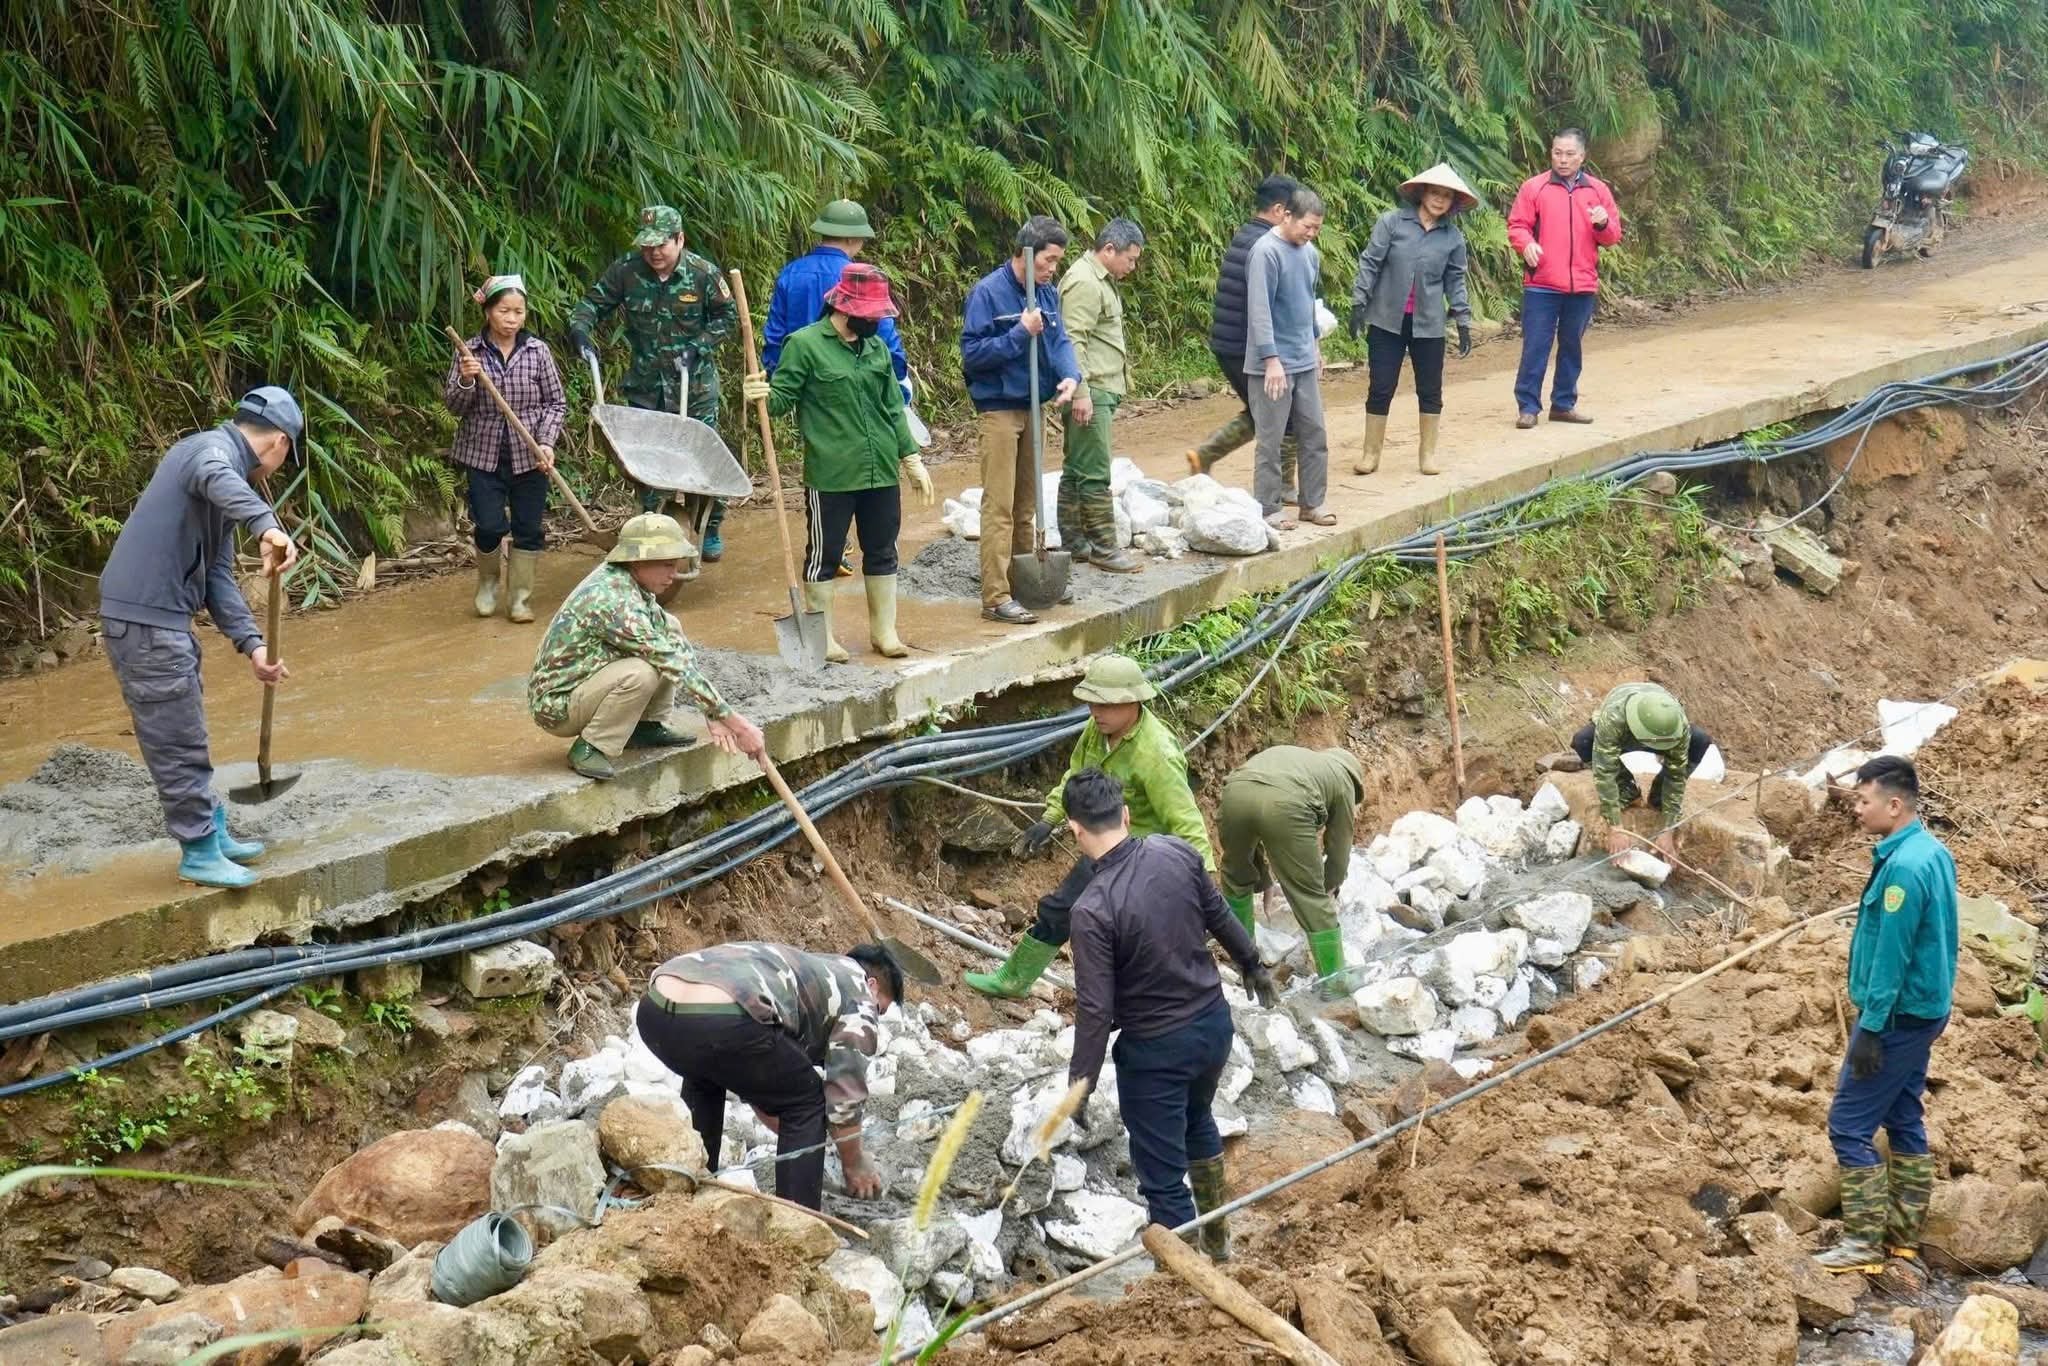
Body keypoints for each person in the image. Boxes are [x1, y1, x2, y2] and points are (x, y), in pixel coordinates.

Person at [1062, 768, 1275, 1259]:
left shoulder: (1092, 910)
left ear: (1075, 830)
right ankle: (1219, 1247)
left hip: (1157, 1052)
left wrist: (1080, 1085)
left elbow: (1096, 1011)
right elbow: (1219, 913)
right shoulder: (1175, 852)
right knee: (1196, 1118)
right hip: (1213, 1027)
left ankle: (1183, 1293)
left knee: (1161, 1177)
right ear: (1126, 814)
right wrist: (1252, 964)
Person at [98, 387, 302, 889]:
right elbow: (217, 474)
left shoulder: (218, 492)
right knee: (176, 738)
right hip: (147, 623)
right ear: (279, 443)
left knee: (186, 726)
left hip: (162, 621)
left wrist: (253, 646)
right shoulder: (206, 453)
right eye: (283, 457)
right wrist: (266, 525)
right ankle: (198, 850)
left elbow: (217, 577)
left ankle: (212, 831)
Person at [965, 654, 1213, 998]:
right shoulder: (1096, 733)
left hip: (1148, 859)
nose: (1097, 712)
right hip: (1104, 844)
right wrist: (1049, 819)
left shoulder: (1157, 753)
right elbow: (1075, 776)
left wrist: (1202, 884)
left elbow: (1185, 819)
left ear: (1133, 702)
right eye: (1092, 703)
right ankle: (1014, 979)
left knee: (1135, 930)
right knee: (1060, 907)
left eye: (1106, 705)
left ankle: (1158, 995)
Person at [743, 264, 934, 663]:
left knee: (883, 550)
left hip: (880, 468)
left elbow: (892, 409)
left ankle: (884, 632)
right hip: (832, 473)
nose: (878, 323)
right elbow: (779, 404)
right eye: (873, 316)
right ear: (846, 309)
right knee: (824, 555)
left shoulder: (876, 347)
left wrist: (910, 456)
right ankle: (823, 635)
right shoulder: (805, 345)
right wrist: (759, 393)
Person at [1815, 755, 1958, 1274]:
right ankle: (1902, 1236)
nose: (1856, 809)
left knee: (1848, 1126)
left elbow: (1892, 956)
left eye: (1863, 800)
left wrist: (1871, 1028)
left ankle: (1861, 1246)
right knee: (1902, 1116)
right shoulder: (1931, 850)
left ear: (1893, 805)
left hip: (1896, 1016)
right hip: (1926, 1009)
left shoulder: (1903, 868)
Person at [638, 940, 899, 1210]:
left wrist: (801, 1132)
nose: (876, 1016)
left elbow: (761, 1079)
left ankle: (689, 1193)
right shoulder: (859, 993)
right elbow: (845, 1096)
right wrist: (854, 1162)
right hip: (723, 1021)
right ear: (873, 986)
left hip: (655, 1010)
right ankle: (799, 1229)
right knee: (807, 1103)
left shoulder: (807, 969)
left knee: (706, 1078)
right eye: (881, 1009)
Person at [527, 512, 764, 781]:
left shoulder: (631, 581)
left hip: (588, 682)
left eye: (675, 564)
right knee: (641, 672)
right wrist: (738, 725)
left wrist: (711, 713)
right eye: (666, 565)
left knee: (670, 626)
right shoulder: (613, 600)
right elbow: (668, 660)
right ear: (638, 560)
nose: (674, 574)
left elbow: (674, 645)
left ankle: (645, 725)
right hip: (558, 706)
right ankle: (591, 744)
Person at [567, 205, 739, 558]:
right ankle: (650, 521)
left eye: (662, 245)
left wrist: (699, 348)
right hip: (646, 385)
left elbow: (728, 317)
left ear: (680, 239)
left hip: (696, 386)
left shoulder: (703, 274)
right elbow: (591, 304)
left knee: (702, 464)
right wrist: (580, 332)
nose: (654, 253)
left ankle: (708, 526)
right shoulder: (627, 272)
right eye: (647, 246)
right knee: (645, 465)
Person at [762, 199, 916, 580]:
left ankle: (835, 543)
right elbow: (885, 338)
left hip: (800, 384)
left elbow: (775, 336)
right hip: (851, 383)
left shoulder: (790, 274)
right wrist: (898, 380)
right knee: (846, 465)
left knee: (825, 458)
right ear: (856, 239)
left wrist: (773, 383)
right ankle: (835, 550)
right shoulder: (859, 277)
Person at [960, 215, 1091, 625]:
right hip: (999, 409)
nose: (1053, 269)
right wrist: (1019, 331)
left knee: (1026, 504)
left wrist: (1070, 376)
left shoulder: (1047, 294)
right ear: (1025, 253)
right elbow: (974, 356)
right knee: (998, 504)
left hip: (1035, 406)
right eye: (1049, 261)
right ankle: (995, 597)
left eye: (1056, 262)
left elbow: (1059, 341)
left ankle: (1025, 581)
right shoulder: (988, 293)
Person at [445, 274, 568, 623]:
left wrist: (545, 442)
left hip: (530, 454)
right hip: (483, 455)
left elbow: (556, 403)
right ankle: (487, 583)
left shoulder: (538, 351)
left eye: (518, 311)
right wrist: (467, 379)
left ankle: (519, 599)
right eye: (504, 310)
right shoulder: (470, 352)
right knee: (489, 525)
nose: (512, 318)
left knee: (528, 527)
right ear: (488, 311)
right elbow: (454, 406)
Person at [1347, 163, 1478, 478]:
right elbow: (1370, 262)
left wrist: (1462, 318)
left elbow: (1455, 280)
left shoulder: (1453, 238)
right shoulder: (1391, 223)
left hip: (1429, 323)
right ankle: (1370, 453)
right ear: (1422, 193)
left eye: (1446, 196)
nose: (1439, 200)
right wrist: (1358, 302)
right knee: (1381, 386)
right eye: (1435, 192)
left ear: (1453, 202)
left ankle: (1428, 454)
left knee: (1430, 389)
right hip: (1387, 320)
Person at [1216, 745, 1367, 999]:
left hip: (1234, 793)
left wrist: (1262, 879)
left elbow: (1257, 810)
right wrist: (1328, 886)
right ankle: (1335, 981)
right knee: (1309, 895)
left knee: (1235, 876)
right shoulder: (1344, 781)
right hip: (1287, 803)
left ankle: (1243, 963)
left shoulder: (1303, 760)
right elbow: (1339, 848)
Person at [1187, 173, 1299, 490]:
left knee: (1264, 411)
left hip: (1229, 343)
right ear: (1279, 210)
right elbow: (1267, 305)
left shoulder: (1246, 235)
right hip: (1247, 347)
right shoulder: (1264, 245)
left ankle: (1205, 454)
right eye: (1294, 214)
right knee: (1282, 412)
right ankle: (1282, 487)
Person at [1506, 129, 1623, 429]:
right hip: (1542, 283)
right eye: (1558, 152)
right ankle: (1528, 407)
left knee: (1572, 345)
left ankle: (1563, 404)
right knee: (1536, 345)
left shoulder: (1597, 191)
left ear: (1582, 157)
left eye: (1570, 154)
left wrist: (1603, 223)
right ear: (1551, 153)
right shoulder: (1535, 187)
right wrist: (1525, 244)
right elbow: (1517, 225)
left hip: (1582, 284)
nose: (1563, 159)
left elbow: (1612, 237)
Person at [1057, 218, 1145, 573]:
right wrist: (1081, 393)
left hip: (1099, 387)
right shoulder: (1084, 282)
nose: (1133, 267)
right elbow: (1073, 339)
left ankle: (1075, 543)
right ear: (1109, 249)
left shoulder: (1099, 280)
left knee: (1078, 466)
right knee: (1093, 471)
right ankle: (1104, 548)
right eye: (1131, 259)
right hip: (1091, 390)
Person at [1244, 186, 1331, 531]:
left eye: (1316, 229)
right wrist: (1271, 360)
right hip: (1272, 364)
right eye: (1306, 226)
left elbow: (1308, 303)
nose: (1310, 234)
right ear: (1286, 216)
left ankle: (1313, 503)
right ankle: (1269, 507)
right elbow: (1259, 309)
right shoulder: (1265, 252)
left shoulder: (1309, 253)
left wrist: (1315, 345)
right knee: (1271, 437)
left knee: (1315, 433)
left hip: (1303, 358)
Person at [1571, 681, 1713, 858]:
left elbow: (1676, 775)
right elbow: (1605, 770)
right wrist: (1615, 827)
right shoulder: (1614, 718)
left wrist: (1668, 828)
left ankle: (1658, 797)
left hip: (1660, 732)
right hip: (1626, 729)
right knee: (1583, 741)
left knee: (1700, 740)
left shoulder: (1678, 726)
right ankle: (1627, 789)